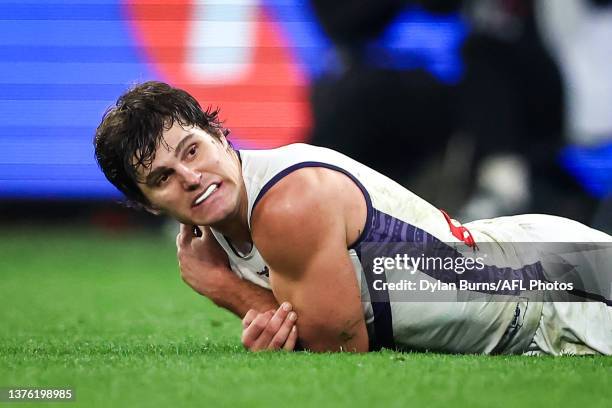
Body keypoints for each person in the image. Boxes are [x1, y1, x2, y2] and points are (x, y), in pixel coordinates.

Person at [94, 81, 612, 355]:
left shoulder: (287, 203)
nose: (189, 176)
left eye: (192, 149)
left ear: (220, 134)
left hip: (554, 289)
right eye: (161, 177)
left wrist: (222, 287)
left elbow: (340, 350)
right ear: (147, 203)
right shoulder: (227, 213)